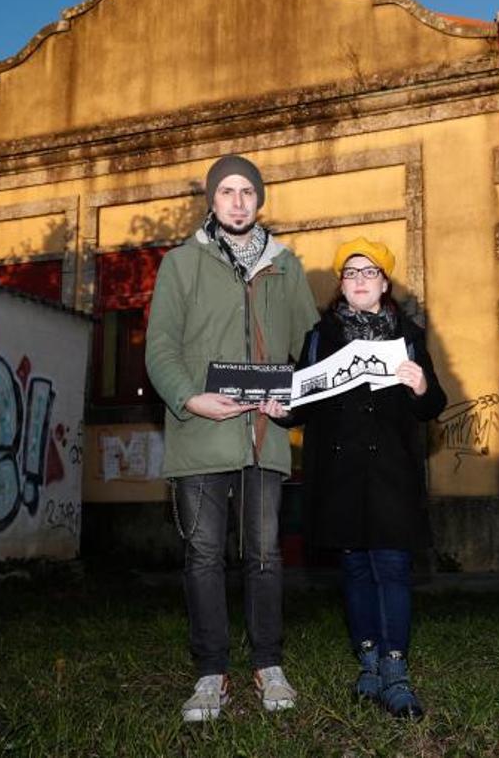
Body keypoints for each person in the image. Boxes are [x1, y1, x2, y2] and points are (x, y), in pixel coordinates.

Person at [145, 154, 320, 722]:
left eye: (248, 191)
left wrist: (292, 395)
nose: (239, 201)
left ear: (260, 199)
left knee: (266, 554)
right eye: (228, 192)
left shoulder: (285, 266)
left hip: (263, 438)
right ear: (212, 200)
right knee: (202, 555)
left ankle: (268, 663)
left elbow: (308, 344)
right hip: (200, 433)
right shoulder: (180, 264)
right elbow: (160, 348)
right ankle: (209, 673)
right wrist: (189, 397)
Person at [268, 237, 446, 719]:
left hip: (391, 473)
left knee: (391, 566)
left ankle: (396, 670)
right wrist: (279, 409)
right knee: (354, 569)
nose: (360, 280)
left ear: (384, 284)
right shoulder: (319, 336)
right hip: (339, 473)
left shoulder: (408, 335)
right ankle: (367, 662)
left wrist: (421, 385)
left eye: (369, 273)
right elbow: (299, 402)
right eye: (351, 273)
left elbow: (433, 405)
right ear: (342, 285)